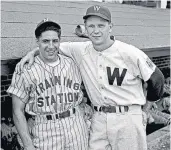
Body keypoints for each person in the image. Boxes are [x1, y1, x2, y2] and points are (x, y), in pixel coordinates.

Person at [16, 5, 165, 150]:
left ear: (110, 27)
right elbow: (51, 46)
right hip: (99, 118)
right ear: (85, 28)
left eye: (101, 26)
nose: (96, 31)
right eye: (91, 26)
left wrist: (145, 110)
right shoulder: (80, 50)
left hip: (127, 118)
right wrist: (32, 53)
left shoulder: (129, 52)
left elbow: (157, 79)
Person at [7, 18, 88, 150]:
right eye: (45, 41)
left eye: (55, 41)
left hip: (76, 127)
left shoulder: (73, 63)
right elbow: (17, 111)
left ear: (59, 42)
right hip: (45, 129)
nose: (51, 46)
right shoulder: (25, 69)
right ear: (37, 41)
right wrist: (28, 145)